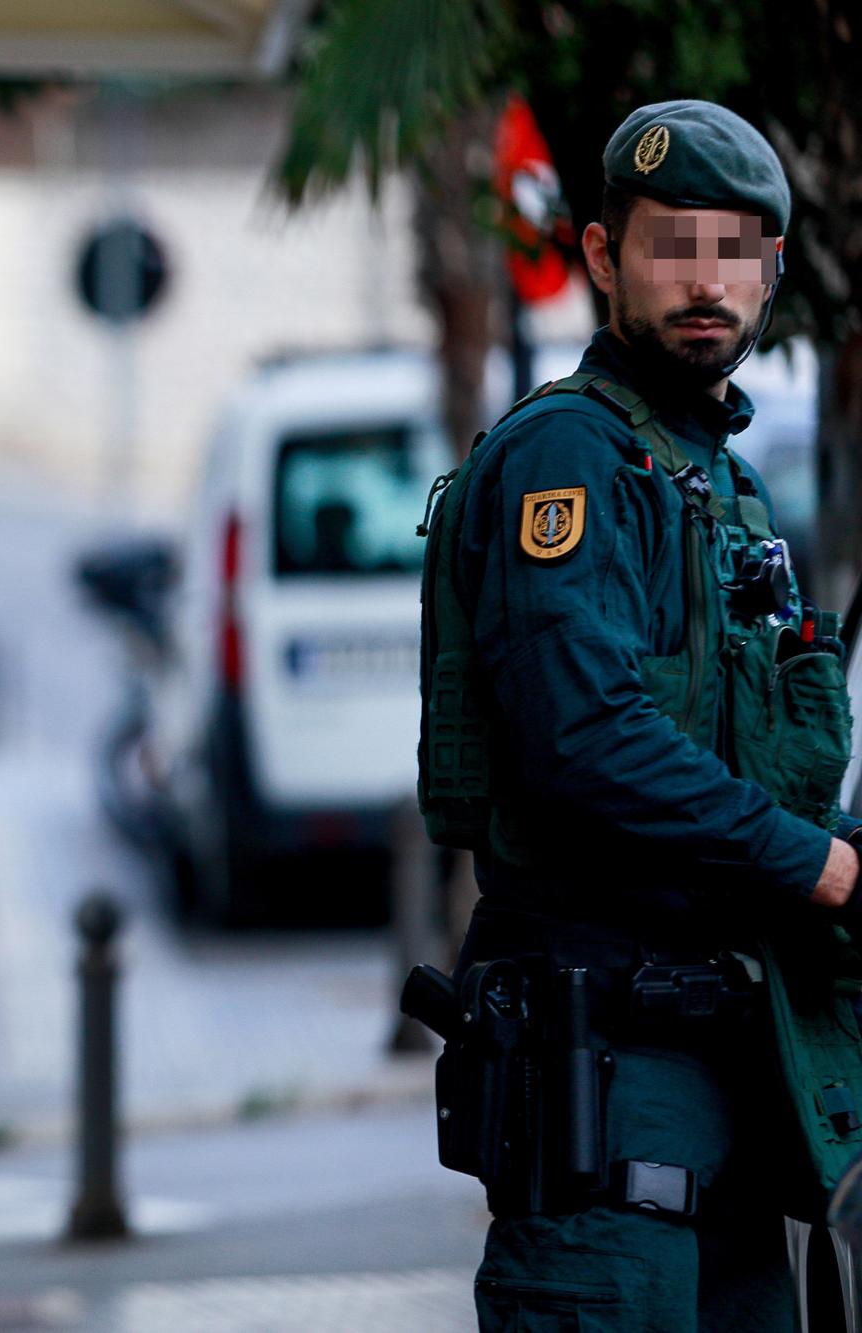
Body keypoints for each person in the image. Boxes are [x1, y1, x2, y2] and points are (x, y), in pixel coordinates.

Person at [413, 100, 862, 1329]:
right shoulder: (566, 459)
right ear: (604, 257)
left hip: (734, 1067)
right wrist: (822, 873)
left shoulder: (723, 481)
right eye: (672, 245)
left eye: (735, 249)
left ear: (772, 271)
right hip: (601, 1054)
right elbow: (583, 741)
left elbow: (767, 754)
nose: (706, 280)